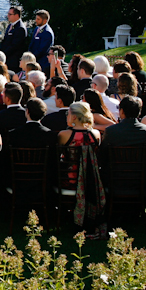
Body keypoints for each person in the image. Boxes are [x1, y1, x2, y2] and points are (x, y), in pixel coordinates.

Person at [56, 101, 105, 238]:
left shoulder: (64, 135)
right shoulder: (95, 134)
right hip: (91, 180)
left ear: (74, 117)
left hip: (71, 180)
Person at [0, 6, 28, 72]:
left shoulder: (20, 28)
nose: (8, 16)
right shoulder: (10, 26)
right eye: (8, 14)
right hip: (7, 59)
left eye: (10, 14)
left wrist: (4, 54)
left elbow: (15, 45)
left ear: (16, 15)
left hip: (13, 61)